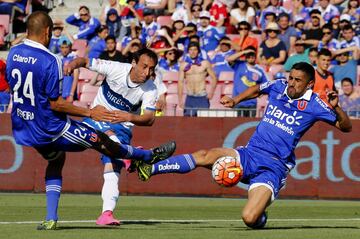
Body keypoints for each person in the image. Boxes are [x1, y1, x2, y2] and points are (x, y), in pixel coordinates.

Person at [5, 11, 176, 230]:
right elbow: (55, 104)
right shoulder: (51, 60)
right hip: (52, 127)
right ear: (48, 32)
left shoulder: (14, 51)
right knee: (103, 142)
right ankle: (147, 156)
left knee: (56, 160)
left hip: (23, 126)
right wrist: (90, 113)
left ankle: (51, 218)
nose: (148, 72)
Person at [134, 62, 352, 229]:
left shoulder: (315, 104)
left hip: (273, 167)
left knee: (249, 218)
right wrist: (236, 100)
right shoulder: (279, 86)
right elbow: (257, 89)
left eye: (297, 80)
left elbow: (346, 127)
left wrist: (338, 108)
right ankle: (150, 168)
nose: (291, 83)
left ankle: (260, 215)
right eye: (290, 78)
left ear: (309, 84)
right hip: (249, 153)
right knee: (205, 155)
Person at [65, 47, 168, 225]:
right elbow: (84, 61)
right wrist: (72, 64)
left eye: (152, 69)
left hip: (123, 128)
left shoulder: (151, 89)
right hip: (97, 117)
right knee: (108, 136)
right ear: (134, 63)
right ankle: (130, 155)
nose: (147, 72)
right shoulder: (115, 68)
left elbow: (149, 119)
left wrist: (129, 117)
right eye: (144, 67)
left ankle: (106, 214)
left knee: (112, 171)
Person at [227, 46, 269, 117]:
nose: (251, 57)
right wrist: (244, 52)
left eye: (253, 55)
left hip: (251, 103)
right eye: (249, 55)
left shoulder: (260, 70)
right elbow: (229, 59)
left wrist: (260, 93)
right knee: (237, 126)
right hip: (238, 102)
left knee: (249, 125)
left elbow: (266, 84)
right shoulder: (239, 64)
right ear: (245, 56)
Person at [178, 42, 217, 116]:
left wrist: (211, 92)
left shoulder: (205, 63)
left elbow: (214, 78)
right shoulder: (183, 65)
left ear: (198, 51)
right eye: (190, 50)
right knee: (187, 122)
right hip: (189, 97)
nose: (193, 52)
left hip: (202, 97)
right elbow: (180, 82)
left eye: (195, 49)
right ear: (188, 51)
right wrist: (180, 99)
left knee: (203, 122)